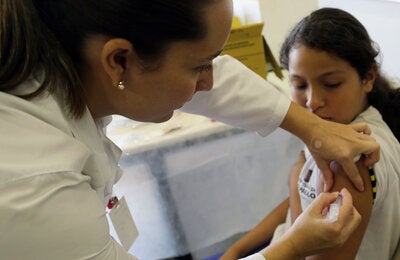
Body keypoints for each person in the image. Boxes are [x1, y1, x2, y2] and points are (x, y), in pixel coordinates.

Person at [0, 1, 377, 259]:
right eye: (200, 67)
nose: (210, 82)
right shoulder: (30, 181)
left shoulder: (63, 55)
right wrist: (288, 248)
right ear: (118, 61)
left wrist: (309, 128)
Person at [222, 7, 400, 260]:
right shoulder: (333, 132)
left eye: (331, 84)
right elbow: (305, 197)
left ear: (368, 77)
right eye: (299, 85)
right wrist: (236, 249)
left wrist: (295, 181)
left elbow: (304, 218)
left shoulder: (349, 159)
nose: (313, 101)